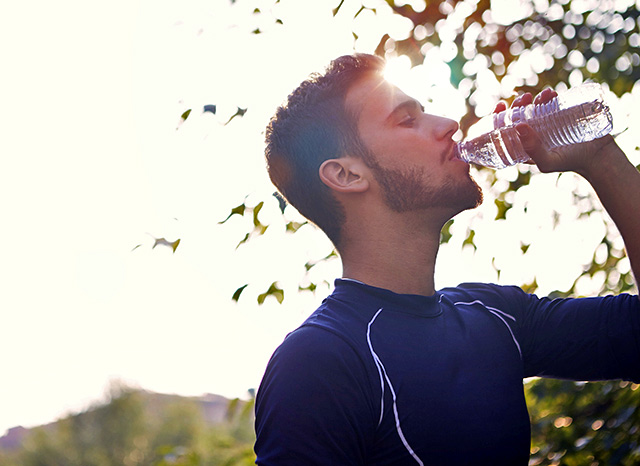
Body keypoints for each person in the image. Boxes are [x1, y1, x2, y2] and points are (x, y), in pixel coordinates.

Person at [253, 53, 640, 465]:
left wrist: (601, 158)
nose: (448, 125)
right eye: (407, 119)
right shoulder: (319, 361)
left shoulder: (494, 315)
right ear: (347, 175)